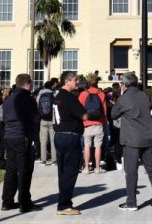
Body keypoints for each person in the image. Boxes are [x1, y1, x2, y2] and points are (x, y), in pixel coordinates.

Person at [110, 72, 152, 211]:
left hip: (131, 139)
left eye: (121, 83)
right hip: (147, 137)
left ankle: (131, 202)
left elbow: (113, 114)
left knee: (131, 171)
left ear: (124, 84)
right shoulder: (144, 95)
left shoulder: (124, 98)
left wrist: (121, 96)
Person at [1, 74, 40, 213]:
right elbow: (35, 118)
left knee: (11, 168)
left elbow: (3, 117)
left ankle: (7, 201)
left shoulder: (8, 99)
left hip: (9, 135)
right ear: (27, 84)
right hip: (22, 136)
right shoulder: (27, 99)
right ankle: (24, 202)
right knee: (25, 169)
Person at [53, 71, 86, 216]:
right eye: (75, 80)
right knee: (70, 172)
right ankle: (64, 205)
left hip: (59, 135)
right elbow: (81, 113)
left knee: (63, 172)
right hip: (70, 137)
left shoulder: (56, 96)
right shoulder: (69, 97)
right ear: (67, 81)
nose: (77, 82)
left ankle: (63, 202)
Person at [79, 76, 107, 174]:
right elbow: (104, 111)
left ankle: (86, 168)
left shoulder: (83, 94)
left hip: (86, 124)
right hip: (98, 123)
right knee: (98, 146)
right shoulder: (101, 94)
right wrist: (103, 123)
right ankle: (97, 168)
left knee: (87, 145)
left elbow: (79, 110)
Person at [36, 80, 56, 166]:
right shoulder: (54, 94)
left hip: (43, 119)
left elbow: (37, 105)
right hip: (52, 119)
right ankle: (54, 160)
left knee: (43, 141)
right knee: (53, 141)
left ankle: (43, 160)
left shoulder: (39, 95)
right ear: (51, 87)